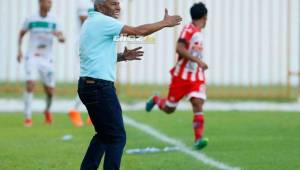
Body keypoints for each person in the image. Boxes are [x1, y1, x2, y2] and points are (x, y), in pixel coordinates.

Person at [78, 0, 182, 169]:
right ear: (100, 6)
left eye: (118, 3)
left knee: (104, 135)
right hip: (99, 88)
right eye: (113, 4)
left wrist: (122, 57)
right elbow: (138, 32)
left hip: (88, 86)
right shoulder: (103, 22)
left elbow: (94, 55)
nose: (118, 7)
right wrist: (165, 23)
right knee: (117, 137)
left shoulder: (92, 22)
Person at [146, 2, 209, 150]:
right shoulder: (189, 30)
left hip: (196, 76)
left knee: (197, 102)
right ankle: (156, 99)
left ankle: (198, 139)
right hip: (181, 77)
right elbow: (179, 48)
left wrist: (198, 64)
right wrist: (198, 60)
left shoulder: (198, 33)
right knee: (169, 108)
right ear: (204, 17)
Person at [17, 0, 65, 127]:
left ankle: (48, 110)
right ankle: (27, 117)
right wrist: (19, 51)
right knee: (30, 84)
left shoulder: (54, 19)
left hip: (47, 59)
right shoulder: (31, 18)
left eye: (50, 2)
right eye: (47, 2)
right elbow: (21, 33)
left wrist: (60, 37)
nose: (49, 4)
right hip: (31, 57)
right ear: (40, 3)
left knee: (50, 91)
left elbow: (62, 37)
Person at [68, 0, 94, 127]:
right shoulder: (84, 4)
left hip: (96, 44)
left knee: (96, 77)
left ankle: (92, 113)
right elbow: (84, 20)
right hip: (86, 43)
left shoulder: (102, 3)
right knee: (90, 77)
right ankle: (74, 109)